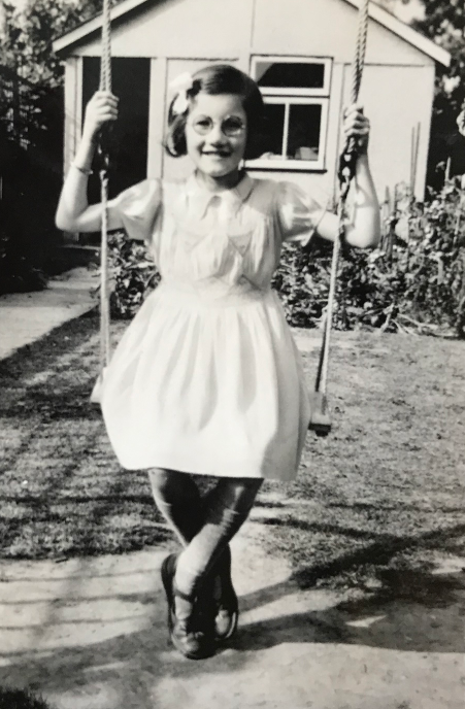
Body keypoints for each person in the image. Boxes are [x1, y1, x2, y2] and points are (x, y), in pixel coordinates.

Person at [56, 64, 380, 660]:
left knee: (248, 458)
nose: (217, 137)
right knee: (164, 470)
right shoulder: (160, 196)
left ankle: (186, 582)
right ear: (184, 127)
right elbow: (69, 220)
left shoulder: (277, 199)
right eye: (203, 122)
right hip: (172, 343)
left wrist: (359, 161)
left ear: (250, 131)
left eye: (233, 124)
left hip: (250, 346)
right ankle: (213, 572)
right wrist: (87, 142)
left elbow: (362, 236)